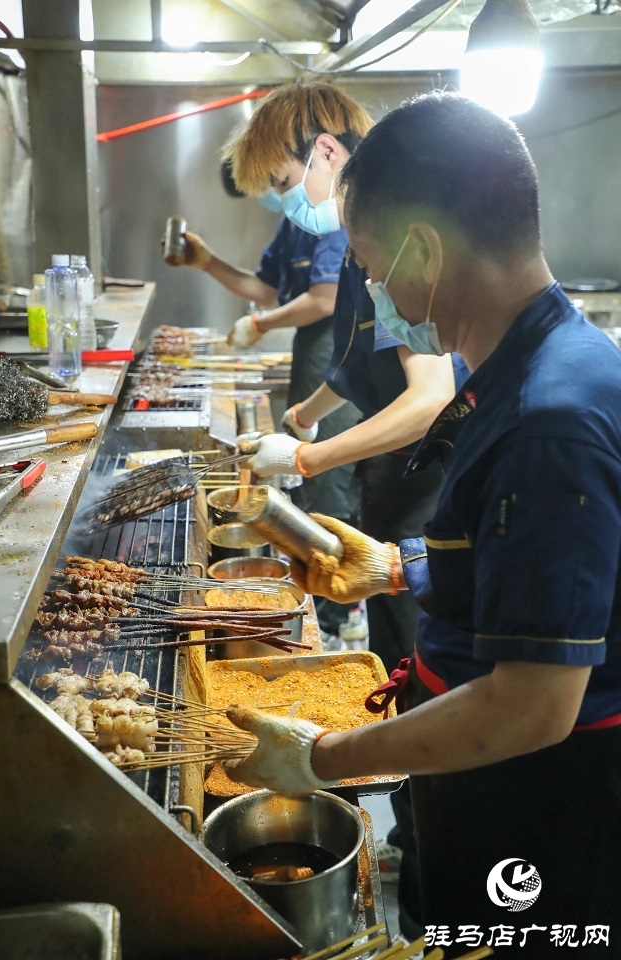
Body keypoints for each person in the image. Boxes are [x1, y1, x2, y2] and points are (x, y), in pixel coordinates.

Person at [224, 91, 621, 959]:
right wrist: (403, 568)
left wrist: (325, 758)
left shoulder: (549, 416)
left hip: (534, 804)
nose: (375, 291)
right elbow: (535, 573)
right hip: (482, 784)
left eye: (370, 264)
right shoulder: (524, 370)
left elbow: (532, 704)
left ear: (426, 249)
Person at [224, 79, 468, 936]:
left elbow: (429, 393)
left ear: (327, 152)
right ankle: (418, 814)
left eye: (289, 180)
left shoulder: (400, 239)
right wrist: (304, 417)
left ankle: (423, 828)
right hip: (394, 477)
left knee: (423, 656)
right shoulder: (368, 243)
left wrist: (312, 456)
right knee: (406, 654)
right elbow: (362, 364)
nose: (295, 205)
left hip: (435, 482)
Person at [170, 169, 362, 640]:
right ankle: (329, 604)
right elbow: (268, 289)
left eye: (279, 182)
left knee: (328, 492)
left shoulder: (334, 220)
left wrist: (260, 326)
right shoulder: (294, 224)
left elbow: (323, 299)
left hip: (332, 355)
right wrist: (207, 262)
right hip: (314, 360)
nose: (278, 197)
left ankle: (337, 619)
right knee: (314, 488)